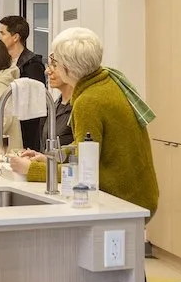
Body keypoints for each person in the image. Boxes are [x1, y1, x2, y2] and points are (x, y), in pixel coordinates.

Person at [37, 27, 158, 215]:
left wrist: (32, 170)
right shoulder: (109, 80)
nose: (51, 67)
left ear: (67, 67)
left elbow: (85, 167)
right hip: (140, 195)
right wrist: (52, 158)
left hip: (120, 201)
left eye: (54, 61)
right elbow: (87, 147)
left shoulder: (88, 102)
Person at [8, 54, 74, 181]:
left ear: (70, 68)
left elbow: (77, 162)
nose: (47, 71)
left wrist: (32, 168)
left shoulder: (78, 108)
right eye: (49, 65)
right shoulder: (55, 105)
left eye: (54, 65)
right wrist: (40, 157)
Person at [0, 15, 47, 150]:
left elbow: (35, 106)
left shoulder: (33, 65)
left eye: (3, 33)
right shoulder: (3, 64)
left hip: (26, 133)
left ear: (15, 37)